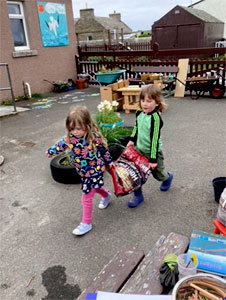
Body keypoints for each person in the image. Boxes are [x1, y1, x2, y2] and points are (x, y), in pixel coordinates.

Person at [46, 105, 113, 235]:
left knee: (86, 196)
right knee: (96, 187)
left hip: (96, 169)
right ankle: (106, 195)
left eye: (78, 128)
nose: (75, 131)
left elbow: (104, 150)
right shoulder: (70, 139)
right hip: (83, 171)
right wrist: (50, 152)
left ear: (87, 124)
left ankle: (86, 223)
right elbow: (59, 146)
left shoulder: (93, 137)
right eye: (71, 129)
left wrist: (110, 161)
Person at [127, 84, 173, 208]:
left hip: (153, 152)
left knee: (159, 175)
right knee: (135, 174)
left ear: (157, 103)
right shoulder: (139, 113)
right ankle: (138, 195)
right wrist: (132, 140)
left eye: (149, 101)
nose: (145, 104)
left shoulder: (156, 119)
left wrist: (153, 160)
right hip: (139, 149)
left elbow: (154, 139)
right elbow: (136, 127)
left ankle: (167, 177)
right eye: (143, 100)